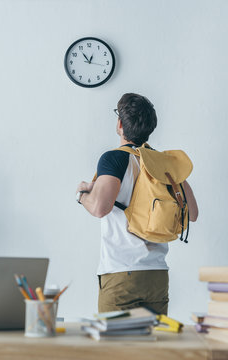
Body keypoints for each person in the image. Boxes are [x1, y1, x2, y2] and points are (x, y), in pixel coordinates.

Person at [76, 93, 198, 315]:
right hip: (157, 275)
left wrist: (83, 194)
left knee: (115, 349)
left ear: (120, 124)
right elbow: (193, 213)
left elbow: (100, 208)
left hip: (121, 274)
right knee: (153, 347)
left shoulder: (114, 159)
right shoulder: (164, 164)